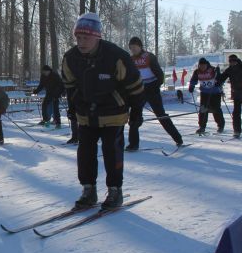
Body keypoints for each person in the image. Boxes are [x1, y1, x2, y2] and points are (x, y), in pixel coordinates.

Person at [62, 13, 144, 209]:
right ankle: (88, 189)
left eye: (86, 37)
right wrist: (73, 107)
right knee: (85, 154)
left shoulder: (116, 56)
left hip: (113, 114)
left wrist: (136, 112)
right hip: (86, 115)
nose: (81, 42)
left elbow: (135, 86)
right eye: (78, 37)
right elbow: (70, 84)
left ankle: (115, 190)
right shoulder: (71, 57)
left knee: (112, 152)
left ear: (97, 36)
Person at [126, 37, 183, 151]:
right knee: (134, 117)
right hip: (139, 90)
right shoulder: (130, 59)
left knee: (161, 115)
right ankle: (133, 144)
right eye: (131, 48)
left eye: (134, 47)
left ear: (140, 46)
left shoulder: (149, 57)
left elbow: (160, 76)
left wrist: (154, 86)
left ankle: (178, 139)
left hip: (152, 89)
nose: (132, 50)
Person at [218, 54, 242, 138]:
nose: (232, 63)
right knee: (236, 113)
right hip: (237, 94)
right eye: (231, 62)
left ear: (236, 61)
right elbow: (221, 79)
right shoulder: (229, 70)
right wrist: (217, 73)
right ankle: (237, 131)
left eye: (234, 61)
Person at [188, 57, 225, 134]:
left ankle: (220, 125)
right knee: (203, 110)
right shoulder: (197, 72)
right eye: (200, 66)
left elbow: (220, 79)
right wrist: (191, 86)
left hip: (215, 92)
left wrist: (218, 82)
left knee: (216, 109)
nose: (202, 67)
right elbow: (193, 80)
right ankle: (202, 127)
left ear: (206, 65)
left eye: (203, 65)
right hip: (204, 93)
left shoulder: (213, 70)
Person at [61, 54, 79, 144]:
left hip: (79, 93)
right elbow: (64, 80)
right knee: (72, 115)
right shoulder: (64, 69)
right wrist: (63, 90)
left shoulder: (78, 67)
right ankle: (75, 136)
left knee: (81, 114)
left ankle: (81, 136)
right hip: (70, 93)